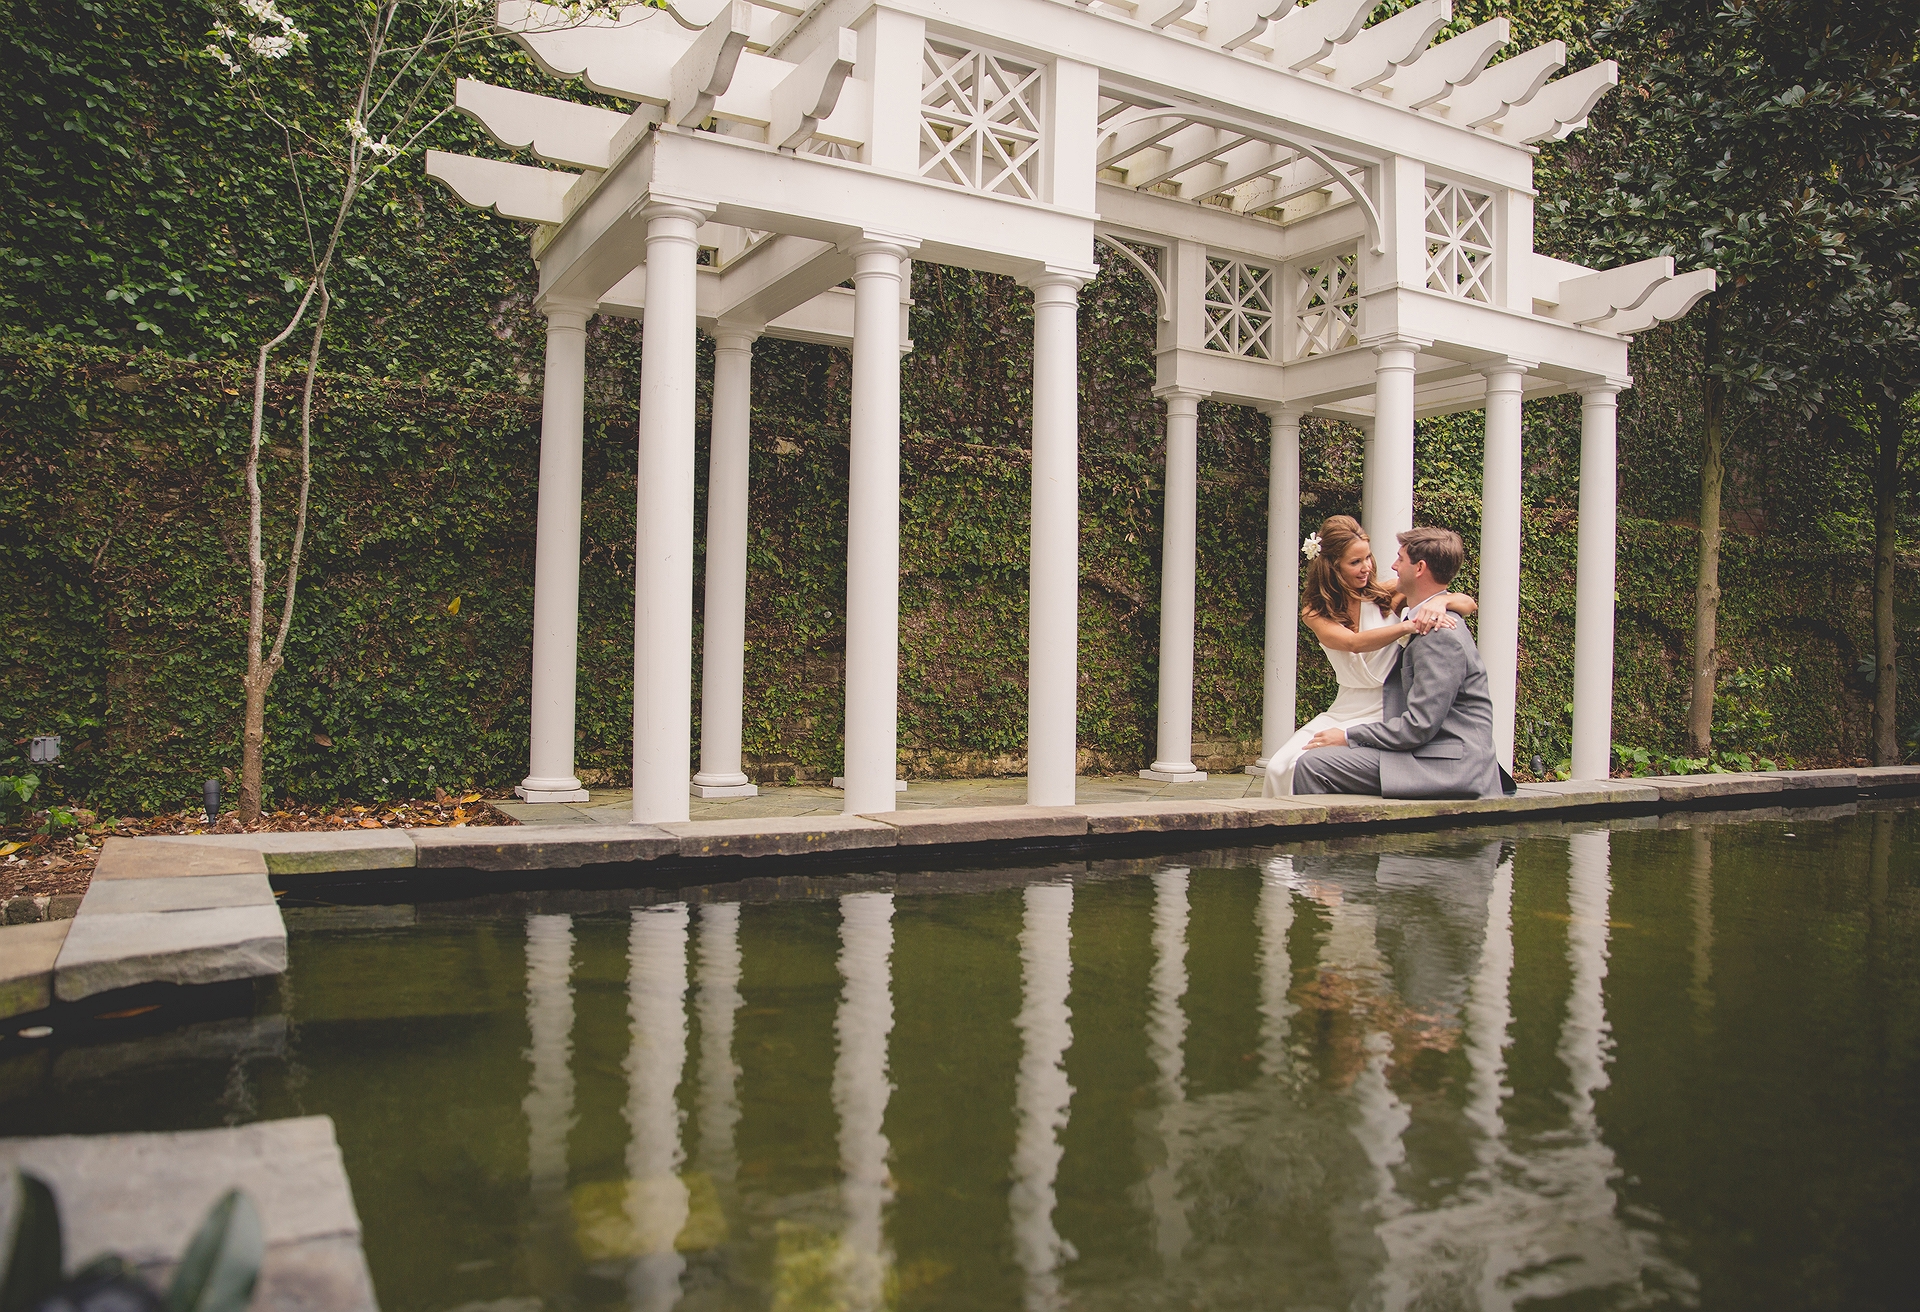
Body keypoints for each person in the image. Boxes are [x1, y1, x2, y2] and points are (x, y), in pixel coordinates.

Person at [1261, 516, 1477, 797]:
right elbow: (1353, 643)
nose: (1367, 568)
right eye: (1355, 562)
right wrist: (1408, 625)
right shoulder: (1314, 612)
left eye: (1368, 558)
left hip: (1387, 705)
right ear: (1332, 566)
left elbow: (1468, 603)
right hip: (1347, 706)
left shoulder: (1384, 594)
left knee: (1307, 763)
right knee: (1278, 766)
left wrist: (1440, 601)